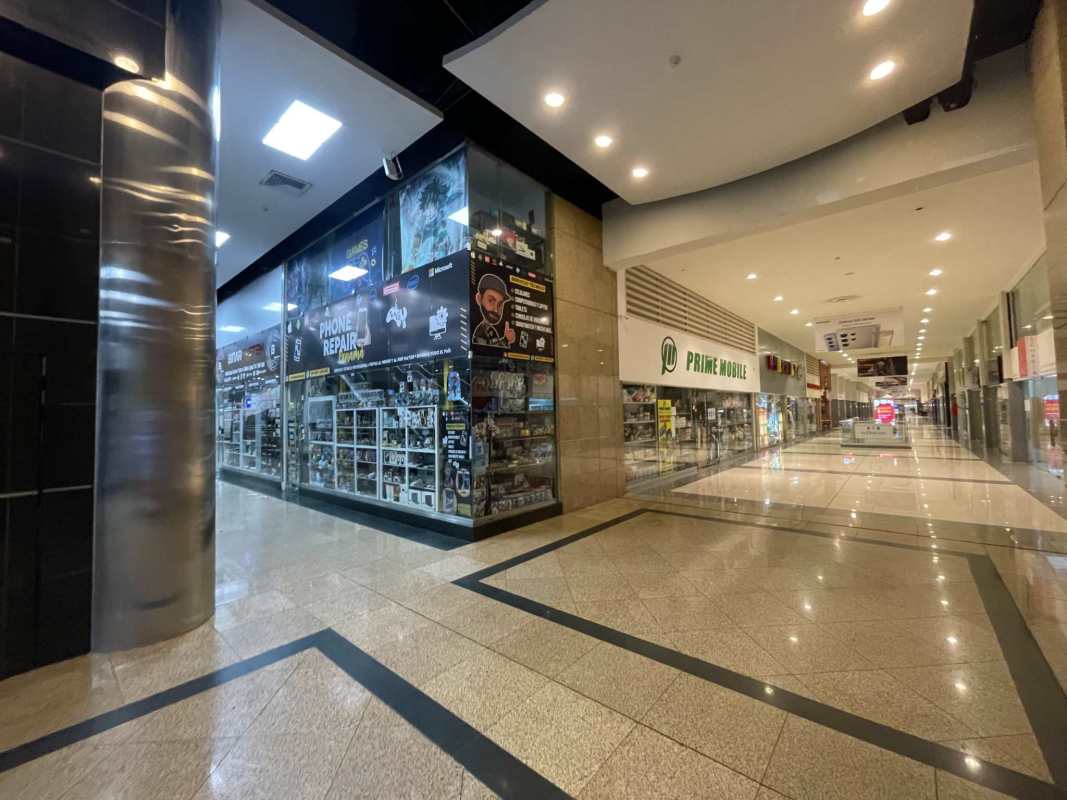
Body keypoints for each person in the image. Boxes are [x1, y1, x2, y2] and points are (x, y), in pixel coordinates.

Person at [472, 272, 516, 348]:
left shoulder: (490, 329)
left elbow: (493, 349)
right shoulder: (481, 331)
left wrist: (506, 339)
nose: (496, 310)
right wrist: (506, 340)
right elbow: (484, 351)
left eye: (500, 305)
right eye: (491, 301)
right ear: (479, 299)